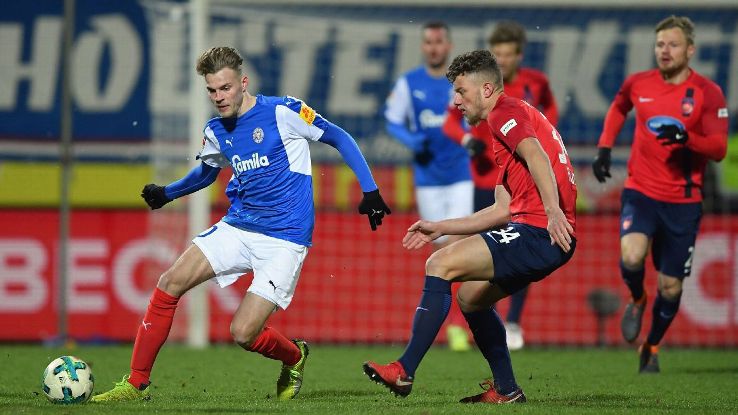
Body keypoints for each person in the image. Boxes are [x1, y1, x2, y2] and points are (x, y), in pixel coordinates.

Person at [92, 46, 391, 402]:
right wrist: (167, 193)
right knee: (169, 282)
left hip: (284, 239)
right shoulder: (216, 130)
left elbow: (340, 137)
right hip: (239, 226)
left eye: (225, 88)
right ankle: (135, 383)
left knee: (243, 333)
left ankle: (295, 356)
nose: (219, 97)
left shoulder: (284, 111)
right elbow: (206, 172)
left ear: (243, 82)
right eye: (212, 90)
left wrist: (370, 191)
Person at [364, 49, 576, 404]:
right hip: (541, 230)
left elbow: (537, 154)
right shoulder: (509, 125)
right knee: (470, 297)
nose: (456, 101)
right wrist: (439, 227)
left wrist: (553, 211)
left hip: (542, 232)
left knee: (439, 264)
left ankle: (404, 371)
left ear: (488, 90)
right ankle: (507, 390)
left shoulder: (504, 114)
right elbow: (501, 210)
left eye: (462, 92)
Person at [592, 15, 728, 373]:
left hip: (683, 201)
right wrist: (605, 147)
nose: (664, 51)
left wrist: (689, 139)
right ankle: (637, 297)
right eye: (659, 45)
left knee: (670, 286)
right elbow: (620, 106)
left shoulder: (708, 92)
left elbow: (718, 148)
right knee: (632, 256)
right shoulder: (639, 83)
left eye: (673, 45)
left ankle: (650, 346)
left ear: (690, 50)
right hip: (641, 190)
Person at [442, 20, 559, 351]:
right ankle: (472, 320)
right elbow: (451, 120)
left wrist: (545, 139)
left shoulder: (535, 85)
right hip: (486, 180)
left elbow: (550, 115)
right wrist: (467, 139)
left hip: (523, 187)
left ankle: (513, 322)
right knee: (478, 249)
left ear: (519, 55)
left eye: (509, 54)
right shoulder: (478, 88)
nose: (504, 60)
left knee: (522, 251)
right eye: (499, 54)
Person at [385, 21, 473, 352]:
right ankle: (453, 324)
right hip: (428, 179)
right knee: (442, 249)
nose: (434, 48)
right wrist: (412, 139)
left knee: (462, 242)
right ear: (423, 47)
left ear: (448, 46)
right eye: (429, 42)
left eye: (439, 42)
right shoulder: (410, 84)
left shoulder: (460, 84)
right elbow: (392, 120)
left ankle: (463, 323)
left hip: (461, 174)